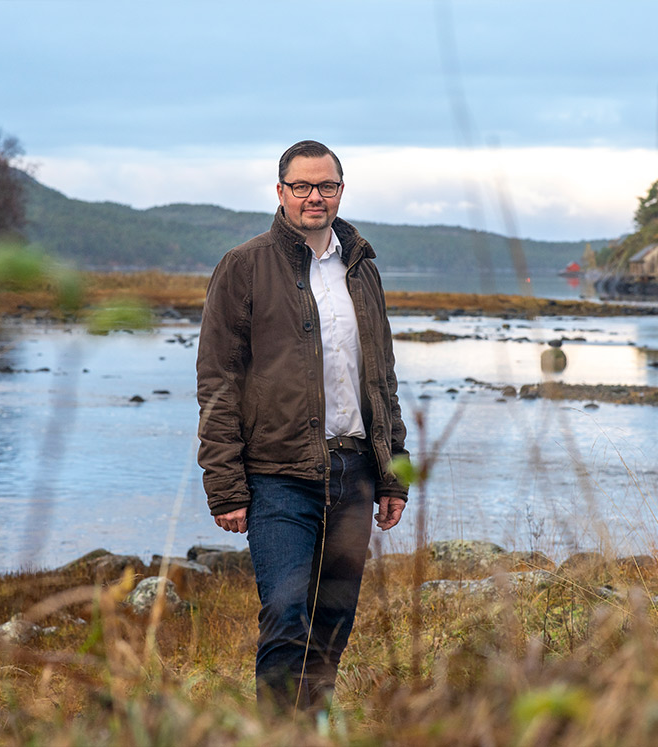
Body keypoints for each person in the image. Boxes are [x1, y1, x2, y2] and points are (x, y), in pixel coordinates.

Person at [196, 140, 409, 714]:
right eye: (302, 186)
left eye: (327, 186)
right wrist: (225, 486)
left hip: (354, 470)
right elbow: (217, 382)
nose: (315, 197)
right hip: (277, 475)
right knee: (286, 613)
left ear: (341, 189)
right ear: (281, 192)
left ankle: (313, 725)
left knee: (335, 618)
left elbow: (382, 377)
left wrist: (393, 474)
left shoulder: (360, 267)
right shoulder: (244, 266)